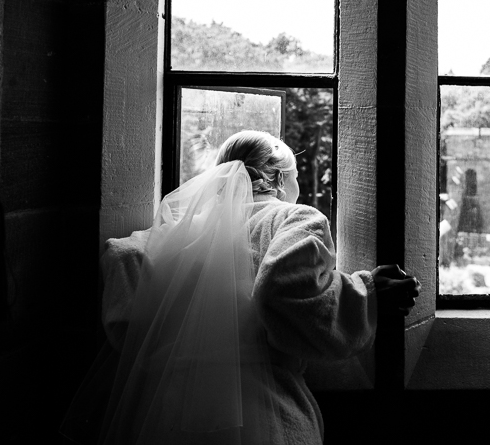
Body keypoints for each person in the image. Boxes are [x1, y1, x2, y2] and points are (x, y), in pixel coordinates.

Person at [65, 130, 420, 444]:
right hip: (260, 407)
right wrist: (366, 293)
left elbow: (122, 256)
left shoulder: (181, 233)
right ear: (280, 178)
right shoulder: (293, 218)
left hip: (167, 408)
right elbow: (283, 291)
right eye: (293, 177)